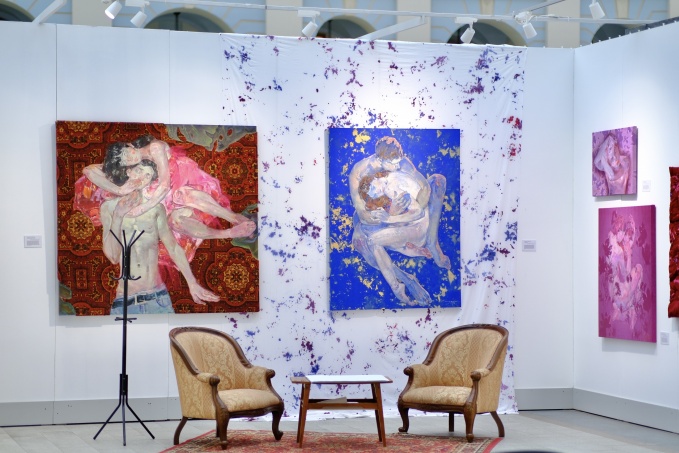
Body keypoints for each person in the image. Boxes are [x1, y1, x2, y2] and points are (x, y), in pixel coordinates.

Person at [75, 134, 256, 268]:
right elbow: (88, 170)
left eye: (127, 153)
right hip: (163, 200)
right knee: (175, 221)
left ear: (129, 145)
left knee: (183, 194)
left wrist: (142, 208)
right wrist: (119, 190)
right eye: (125, 161)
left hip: (183, 183)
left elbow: (164, 185)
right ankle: (228, 233)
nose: (129, 159)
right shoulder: (132, 164)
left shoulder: (154, 148)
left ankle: (233, 217)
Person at [101, 159, 220, 314]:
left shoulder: (156, 210)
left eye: (147, 175)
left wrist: (192, 283)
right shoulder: (108, 208)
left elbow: (173, 247)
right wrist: (118, 216)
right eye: (139, 170)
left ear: (150, 182)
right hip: (125, 301)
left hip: (158, 298)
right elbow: (113, 257)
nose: (142, 177)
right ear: (129, 172)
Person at [349, 136, 449, 306]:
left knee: (438, 180)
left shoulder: (398, 173)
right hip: (384, 222)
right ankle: (406, 280)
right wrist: (390, 212)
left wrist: (402, 211)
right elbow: (363, 214)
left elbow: (424, 190)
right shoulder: (359, 173)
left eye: (398, 162)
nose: (398, 166)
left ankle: (432, 242)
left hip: (410, 221)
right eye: (393, 163)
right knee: (359, 239)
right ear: (379, 160)